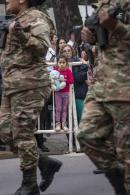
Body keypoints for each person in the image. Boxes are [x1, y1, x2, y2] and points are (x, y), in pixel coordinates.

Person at [0, 0, 62, 195]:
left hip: (30, 83)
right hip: (12, 85)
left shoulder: (36, 18)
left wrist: (18, 31)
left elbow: (43, 48)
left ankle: (30, 184)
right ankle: (45, 163)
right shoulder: (14, 19)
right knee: (4, 130)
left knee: (23, 133)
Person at [77, 1, 130, 195]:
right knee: (86, 135)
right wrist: (91, 38)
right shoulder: (101, 4)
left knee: (127, 154)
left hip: (125, 89)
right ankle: (118, 180)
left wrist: (116, 27)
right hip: (101, 87)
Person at [54, 55, 74, 132]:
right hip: (58, 93)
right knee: (58, 108)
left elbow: (72, 81)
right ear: (57, 63)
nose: (61, 64)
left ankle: (64, 124)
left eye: (63, 62)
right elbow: (52, 78)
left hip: (66, 93)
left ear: (66, 63)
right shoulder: (55, 71)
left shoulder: (68, 71)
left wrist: (64, 80)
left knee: (64, 108)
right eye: (60, 62)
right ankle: (57, 123)